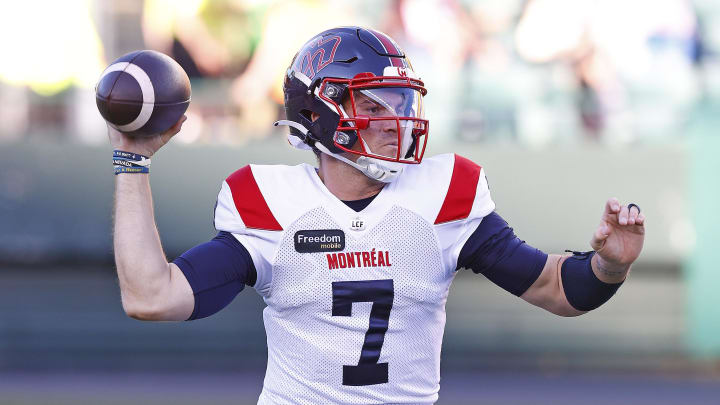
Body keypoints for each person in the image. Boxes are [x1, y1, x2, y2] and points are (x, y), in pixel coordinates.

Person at [109, 27, 645, 405]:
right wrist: (132, 161)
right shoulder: (268, 203)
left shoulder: (443, 194)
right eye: (374, 104)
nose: (397, 121)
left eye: (401, 103)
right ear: (319, 113)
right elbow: (151, 297)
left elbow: (557, 289)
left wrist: (609, 267)